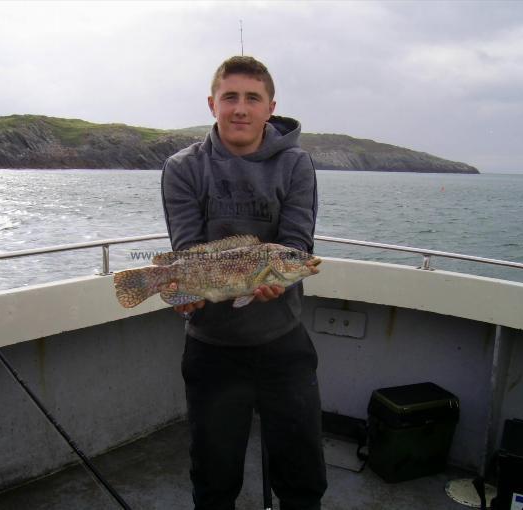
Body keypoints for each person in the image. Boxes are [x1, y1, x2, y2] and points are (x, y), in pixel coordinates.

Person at [161, 56, 327, 510]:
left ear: (270, 107)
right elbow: (187, 247)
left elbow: (296, 242)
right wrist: (184, 292)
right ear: (212, 103)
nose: (240, 108)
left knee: (301, 471)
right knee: (213, 475)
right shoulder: (183, 167)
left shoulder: (296, 164)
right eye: (230, 97)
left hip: (283, 340)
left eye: (252, 98)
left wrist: (277, 281)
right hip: (212, 347)